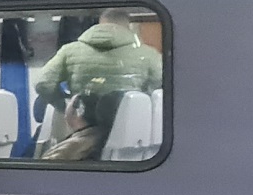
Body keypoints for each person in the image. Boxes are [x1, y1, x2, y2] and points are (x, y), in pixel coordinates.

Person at [33, 9, 163, 160]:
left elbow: (43, 84)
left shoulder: (69, 50)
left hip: (84, 125)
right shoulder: (148, 54)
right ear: (127, 26)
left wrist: (65, 104)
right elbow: (160, 89)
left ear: (100, 24)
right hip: (130, 131)